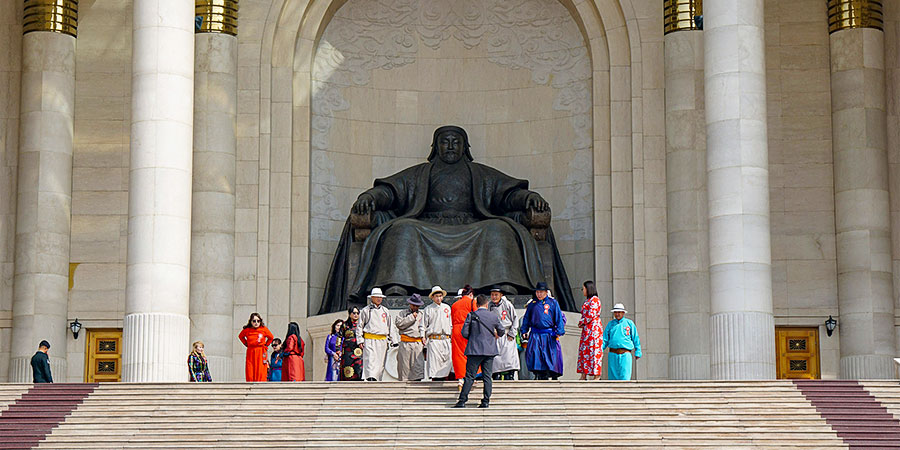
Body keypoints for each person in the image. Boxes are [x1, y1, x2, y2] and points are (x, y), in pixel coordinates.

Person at [320, 125, 577, 315]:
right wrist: (370, 197)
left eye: (456, 142)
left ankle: (503, 286)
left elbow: (507, 194)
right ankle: (397, 286)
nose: (451, 146)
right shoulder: (422, 173)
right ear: (435, 147)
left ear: (465, 147)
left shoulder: (478, 173)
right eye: (445, 142)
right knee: (403, 229)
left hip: (472, 225)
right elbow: (391, 191)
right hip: (427, 225)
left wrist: (527, 198)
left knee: (498, 229)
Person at [453, 294, 506, 408]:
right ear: (487, 304)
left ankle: (462, 401)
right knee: (487, 377)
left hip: (474, 350)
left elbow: (464, 333)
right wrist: (495, 335)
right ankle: (486, 401)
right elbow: (501, 331)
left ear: (476, 304)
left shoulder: (471, 315)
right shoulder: (493, 316)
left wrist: (473, 338)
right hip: (489, 351)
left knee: (469, 376)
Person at [520, 282, 565, 380]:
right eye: (537, 292)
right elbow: (526, 318)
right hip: (536, 334)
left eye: (541, 292)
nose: (539, 294)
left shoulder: (553, 303)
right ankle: (539, 373)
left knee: (550, 355)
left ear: (545, 292)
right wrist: (524, 330)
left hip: (549, 334)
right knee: (535, 354)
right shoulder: (532, 304)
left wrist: (559, 331)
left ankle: (552, 373)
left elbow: (558, 318)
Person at [357, 287, 395, 381]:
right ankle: (370, 377)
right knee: (370, 359)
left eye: (380, 297)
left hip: (382, 340)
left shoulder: (385, 311)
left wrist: (394, 340)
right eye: (376, 297)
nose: (379, 299)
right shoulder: (366, 310)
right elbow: (360, 326)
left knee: (380, 362)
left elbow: (390, 326)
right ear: (372, 298)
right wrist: (360, 340)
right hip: (370, 339)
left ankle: (377, 379)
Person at [603, 303, 641, 380]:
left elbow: (635, 338)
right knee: (612, 377)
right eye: (616, 312)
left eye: (619, 312)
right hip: (613, 353)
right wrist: (600, 350)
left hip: (625, 353)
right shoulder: (610, 324)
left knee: (625, 376)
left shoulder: (629, 323)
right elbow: (605, 339)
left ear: (623, 313)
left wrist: (638, 351)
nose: (617, 314)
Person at [488, 287, 519, 380]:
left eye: (496, 295)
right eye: (492, 295)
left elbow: (515, 319)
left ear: (501, 295)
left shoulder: (507, 304)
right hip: (495, 334)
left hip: (506, 333)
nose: (494, 297)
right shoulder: (489, 305)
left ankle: (510, 374)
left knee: (509, 356)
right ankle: (497, 374)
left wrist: (512, 333)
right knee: (496, 357)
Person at [423, 286, 453, 380]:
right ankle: (436, 381)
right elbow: (423, 325)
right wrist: (423, 336)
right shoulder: (428, 309)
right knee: (435, 363)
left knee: (447, 362)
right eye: (436, 296)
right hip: (434, 339)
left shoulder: (447, 308)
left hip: (446, 339)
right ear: (432, 297)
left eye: (440, 296)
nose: (439, 298)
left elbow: (450, 324)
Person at [395, 293, 426, 381]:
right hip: (406, 343)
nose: (415, 307)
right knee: (404, 367)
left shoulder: (422, 315)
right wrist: (411, 317)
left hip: (417, 343)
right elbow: (399, 324)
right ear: (410, 304)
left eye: (417, 306)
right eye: (414, 305)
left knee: (417, 367)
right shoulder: (402, 313)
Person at [577, 281, 603, 380]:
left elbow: (591, 314)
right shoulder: (587, 301)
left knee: (594, 350)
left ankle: (596, 375)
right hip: (587, 329)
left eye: (583, 288)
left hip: (593, 329)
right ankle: (584, 374)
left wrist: (582, 321)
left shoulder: (595, 300)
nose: (583, 291)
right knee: (585, 350)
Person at [451, 285, 476, 386]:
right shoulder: (472, 302)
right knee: (470, 353)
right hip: (469, 329)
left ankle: (461, 378)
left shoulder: (454, 305)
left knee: (458, 354)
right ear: (470, 294)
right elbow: (476, 315)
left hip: (456, 330)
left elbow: (452, 320)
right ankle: (470, 377)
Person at [238, 313, 274, 382]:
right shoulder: (247, 330)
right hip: (251, 351)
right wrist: (246, 344)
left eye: (258, 321)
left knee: (260, 368)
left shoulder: (264, 329)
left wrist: (266, 345)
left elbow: (271, 337)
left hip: (261, 351)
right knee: (250, 368)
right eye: (254, 321)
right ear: (251, 322)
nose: (256, 323)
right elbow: (240, 336)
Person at [340, 307, 363, 381]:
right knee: (348, 370)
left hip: (359, 350)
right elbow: (339, 337)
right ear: (350, 314)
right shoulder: (345, 325)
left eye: (357, 313)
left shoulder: (362, 325)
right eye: (354, 313)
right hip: (348, 351)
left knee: (359, 367)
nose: (356, 315)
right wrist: (337, 349)